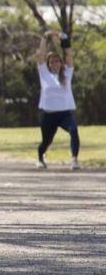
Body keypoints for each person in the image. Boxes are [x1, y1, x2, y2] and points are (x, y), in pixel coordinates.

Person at [36, 30, 80, 170]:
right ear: (48, 64)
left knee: (73, 130)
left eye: (57, 61)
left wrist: (64, 39)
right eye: (52, 61)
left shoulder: (67, 73)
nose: (55, 63)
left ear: (61, 63)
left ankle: (74, 159)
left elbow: (68, 54)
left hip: (64, 114)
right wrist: (45, 37)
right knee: (46, 141)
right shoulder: (44, 74)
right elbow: (41, 55)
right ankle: (40, 157)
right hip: (49, 115)